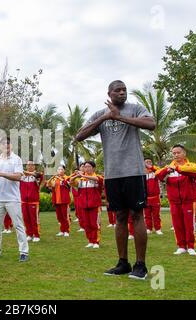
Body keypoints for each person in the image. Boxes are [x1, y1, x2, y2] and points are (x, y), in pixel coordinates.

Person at [75, 80, 156, 280]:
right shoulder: (100, 115)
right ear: (109, 93)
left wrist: (121, 118)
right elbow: (79, 136)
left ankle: (141, 265)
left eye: (124, 90)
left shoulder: (135, 108)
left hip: (134, 172)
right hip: (113, 174)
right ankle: (123, 263)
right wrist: (105, 117)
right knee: (119, 217)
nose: (122, 93)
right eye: (117, 90)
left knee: (137, 215)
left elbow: (151, 124)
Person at [0, 137, 29, 262]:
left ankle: (24, 252)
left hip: (13, 198)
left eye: (8, 143)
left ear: (12, 145)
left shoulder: (17, 159)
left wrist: (2, 174)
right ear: (0, 147)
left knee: (18, 225)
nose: (6, 145)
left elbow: (18, 177)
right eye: (3, 144)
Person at [156, 145, 196, 256]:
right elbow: (158, 176)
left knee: (189, 224)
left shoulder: (191, 165)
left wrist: (178, 169)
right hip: (174, 201)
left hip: (188, 200)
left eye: (178, 152)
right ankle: (181, 246)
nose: (176, 155)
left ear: (184, 153)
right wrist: (167, 170)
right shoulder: (169, 167)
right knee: (177, 224)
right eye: (174, 153)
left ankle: (191, 246)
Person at [70, 161, 104, 249]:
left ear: (93, 168)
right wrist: (77, 175)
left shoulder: (98, 177)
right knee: (87, 225)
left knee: (94, 224)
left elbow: (98, 179)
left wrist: (83, 175)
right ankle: (90, 241)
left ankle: (96, 241)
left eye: (89, 166)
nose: (86, 168)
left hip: (94, 205)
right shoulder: (81, 180)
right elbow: (70, 181)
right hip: (83, 205)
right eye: (85, 167)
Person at [20, 161, 43, 242]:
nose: (30, 166)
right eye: (28, 165)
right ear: (26, 166)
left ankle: (36, 235)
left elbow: (38, 175)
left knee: (34, 219)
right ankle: (29, 234)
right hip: (23, 201)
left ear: (34, 166)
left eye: (31, 165)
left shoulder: (37, 175)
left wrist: (23, 171)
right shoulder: (22, 177)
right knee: (26, 219)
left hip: (33, 201)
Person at [46, 166, 71, 237]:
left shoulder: (67, 177)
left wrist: (59, 178)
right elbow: (48, 184)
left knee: (65, 216)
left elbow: (67, 184)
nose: (60, 170)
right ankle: (62, 230)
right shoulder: (55, 179)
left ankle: (66, 231)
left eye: (62, 169)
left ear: (64, 170)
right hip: (56, 200)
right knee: (59, 217)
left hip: (64, 200)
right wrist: (52, 177)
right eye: (59, 169)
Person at [144, 158, 163, 235]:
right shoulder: (142, 173)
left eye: (150, 162)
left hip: (155, 197)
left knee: (156, 215)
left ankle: (158, 229)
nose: (148, 163)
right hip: (146, 198)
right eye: (146, 162)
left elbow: (160, 171)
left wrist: (151, 167)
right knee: (147, 214)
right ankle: (149, 228)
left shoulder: (155, 172)